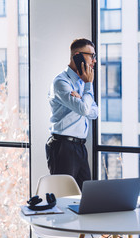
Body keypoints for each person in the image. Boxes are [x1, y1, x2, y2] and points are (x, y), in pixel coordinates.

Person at [45, 38, 98, 191]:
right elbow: (85, 110)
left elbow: (94, 112)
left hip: (80, 147)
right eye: (91, 56)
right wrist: (88, 87)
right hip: (63, 146)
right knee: (63, 196)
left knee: (85, 196)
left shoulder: (82, 83)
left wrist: (83, 99)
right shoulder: (61, 82)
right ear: (77, 55)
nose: (94, 61)